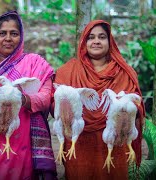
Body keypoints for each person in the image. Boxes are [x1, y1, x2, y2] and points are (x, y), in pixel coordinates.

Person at [0, 11, 57, 179]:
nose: (8, 38)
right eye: (2, 33)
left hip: (21, 139)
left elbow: (45, 97)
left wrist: (23, 97)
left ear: (21, 37)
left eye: (14, 33)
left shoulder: (35, 63)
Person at [52, 20, 145, 179]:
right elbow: (54, 105)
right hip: (79, 144)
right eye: (91, 37)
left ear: (110, 42)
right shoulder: (68, 71)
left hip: (114, 142)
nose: (96, 41)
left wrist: (129, 109)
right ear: (84, 42)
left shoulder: (124, 72)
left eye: (101, 37)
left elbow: (137, 105)